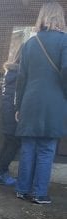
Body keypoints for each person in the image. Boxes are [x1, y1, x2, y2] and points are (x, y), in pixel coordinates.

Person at [14, 1, 67, 204]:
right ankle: (39, 194)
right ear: (60, 18)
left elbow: (21, 78)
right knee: (46, 149)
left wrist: (18, 106)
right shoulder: (64, 42)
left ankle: (21, 189)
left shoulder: (29, 44)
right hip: (53, 103)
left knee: (28, 147)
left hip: (29, 101)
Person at [0, 47, 22, 186]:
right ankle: (1, 173)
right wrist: (18, 110)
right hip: (13, 113)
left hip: (7, 111)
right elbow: (17, 95)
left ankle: (1, 171)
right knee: (13, 142)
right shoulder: (19, 73)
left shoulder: (11, 71)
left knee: (9, 142)